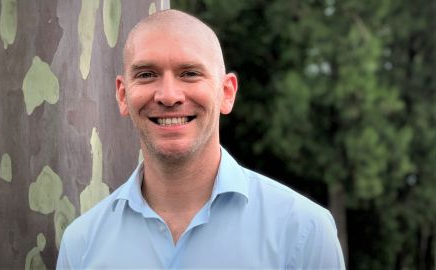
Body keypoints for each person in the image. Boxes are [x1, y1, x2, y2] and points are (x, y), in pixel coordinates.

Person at [56, 9, 345, 269]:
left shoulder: (303, 231)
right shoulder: (81, 244)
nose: (168, 95)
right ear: (123, 95)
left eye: (190, 73)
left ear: (227, 93)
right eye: (147, 74)